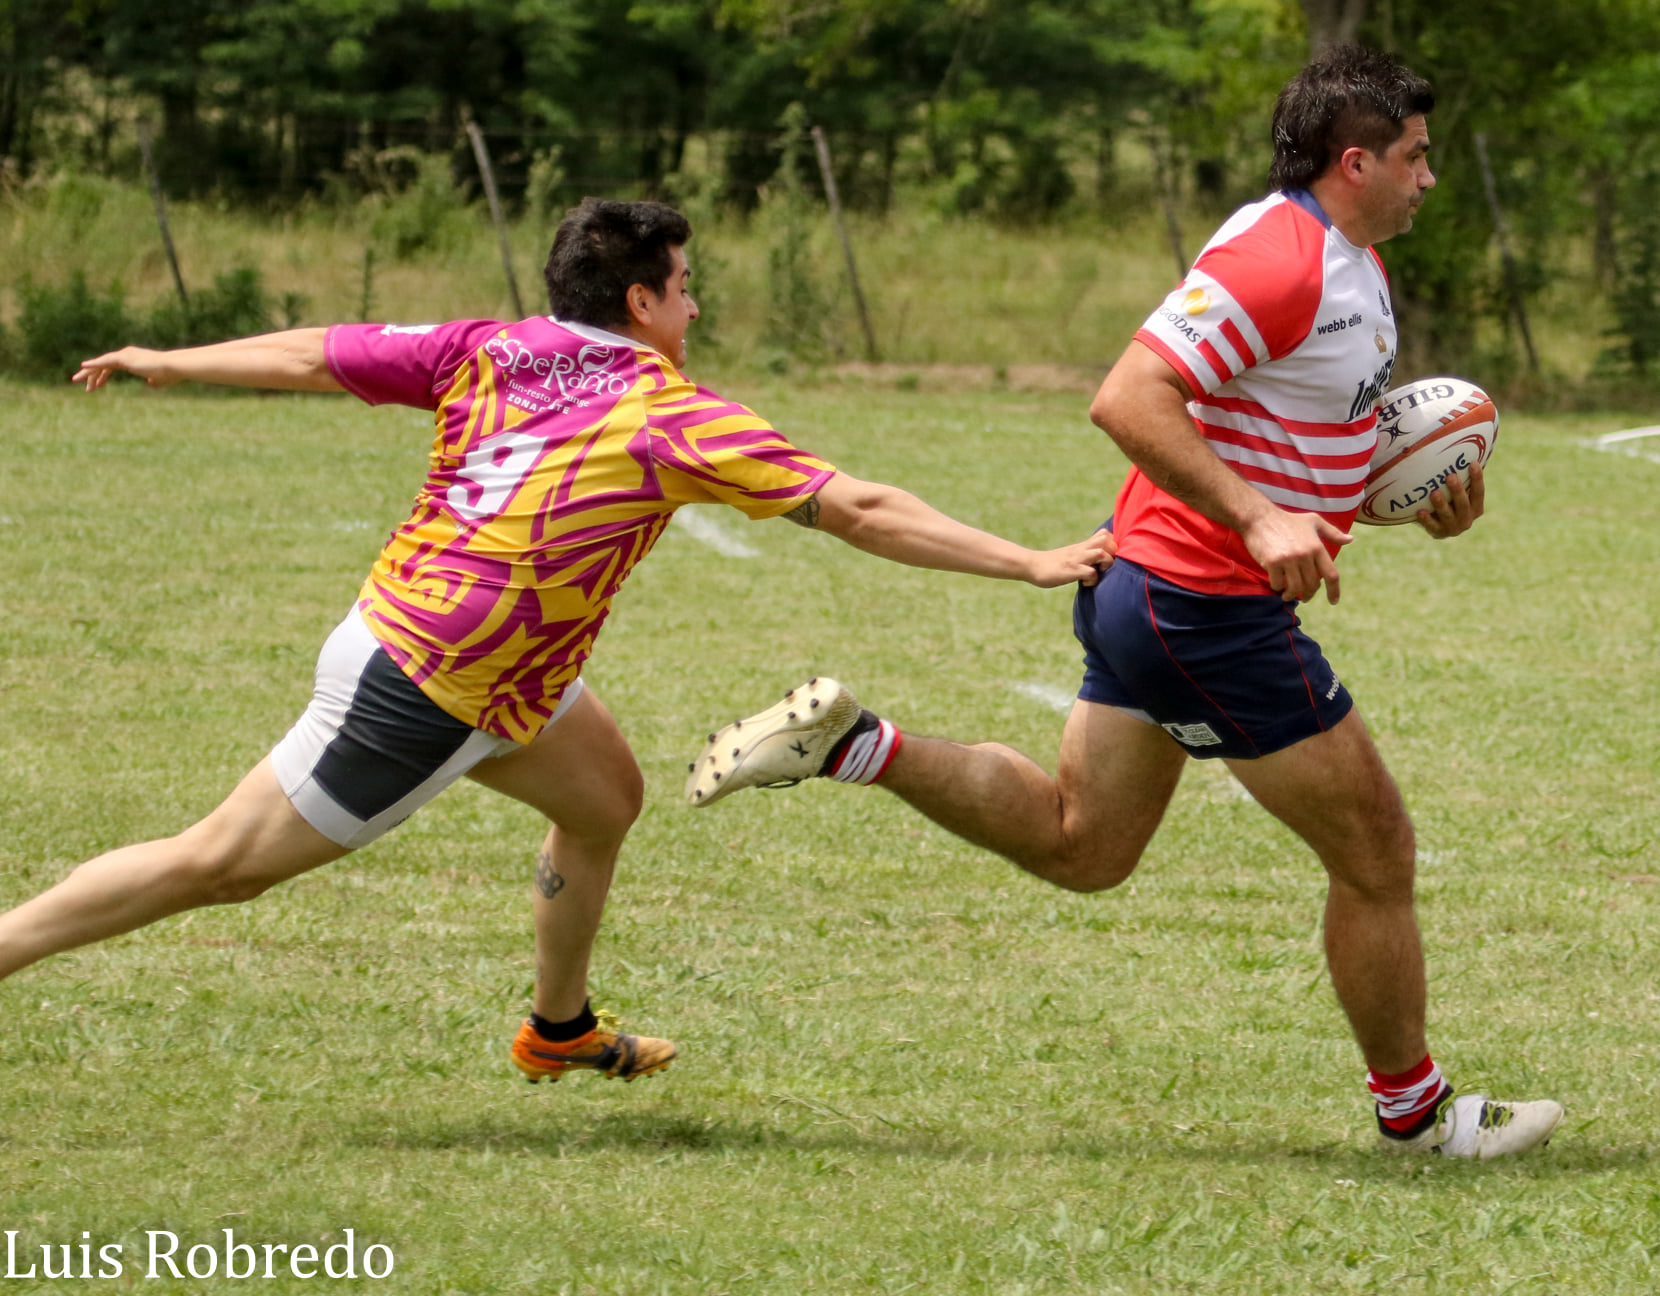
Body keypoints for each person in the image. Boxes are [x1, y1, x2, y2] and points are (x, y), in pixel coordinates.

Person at [0, 198, 1114, 1084]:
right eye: (686, 286)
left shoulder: (489, 347)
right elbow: (859, 508)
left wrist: (171, 359)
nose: (695, 306)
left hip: (480, 665)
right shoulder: (671, 414)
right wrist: (1026, 560)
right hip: (429, 685)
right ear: (640, 299)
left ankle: (558, 1029)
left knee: (603, 801)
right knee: (218, 867)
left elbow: (312, 355)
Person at [688, 46, 1562, 1159]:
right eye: (1415, 156)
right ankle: (1420, 1116)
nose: (1429, 176)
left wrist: (1400, 503)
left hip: (1152, 595)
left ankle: (856, 745)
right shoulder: (1280, 258)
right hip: (1202, 608)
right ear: (1355, 161)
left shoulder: (1351, 265)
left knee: (1084, 845)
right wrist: (1257, 520)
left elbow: (1290, 433)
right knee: (1377, 853)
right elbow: (1127, 397)